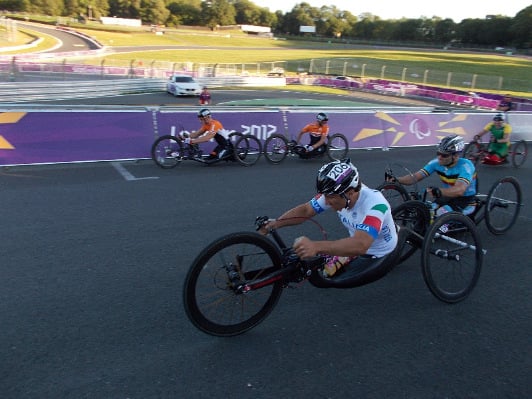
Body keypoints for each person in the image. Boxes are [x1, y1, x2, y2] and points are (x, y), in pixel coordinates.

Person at [260, 159, 398, 282]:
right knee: (316, 267)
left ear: (350, 193)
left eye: (330, 197)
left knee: (327, 277)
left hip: (376, 252)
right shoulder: (336, 193)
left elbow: (361, 244)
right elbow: (306, 210)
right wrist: (276, 223)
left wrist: (316, 246)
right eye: (324, 195)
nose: (325, 201)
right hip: (357, 242)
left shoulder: (376, 204)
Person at [388, 135, 478, 217]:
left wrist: (439, 191)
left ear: (456, 156)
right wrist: (397, 180)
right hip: (448, 196)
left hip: (466, 200)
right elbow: (415, 177)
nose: (440, 157)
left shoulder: (466, 166)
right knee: (427, 210)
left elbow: (459, 190)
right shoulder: (436, 163)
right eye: (438, 153)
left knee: (440, 215)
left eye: (444, 155)